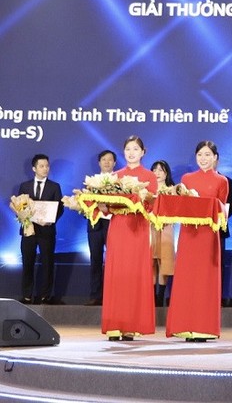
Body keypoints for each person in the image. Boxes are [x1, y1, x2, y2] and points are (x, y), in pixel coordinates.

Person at [166, 141, 229, 341]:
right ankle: (184, 325)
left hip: (208, 236)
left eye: (208, 154)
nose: (204, 158)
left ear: (215, 158)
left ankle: (204, 327)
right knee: (187, 279)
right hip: (188, 235)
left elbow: (222, 210)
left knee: (205, 280)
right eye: (200, 154)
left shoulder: (222, 181)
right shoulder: (186, 178)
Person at [102, 135, 158, 341]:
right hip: (118, 228)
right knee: (116, 274)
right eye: (128, 149)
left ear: (143, 152)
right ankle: (114, 325)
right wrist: (100, 204)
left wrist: (141, 200)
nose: (131, 153)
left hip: (138, 229)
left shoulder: (149, 176)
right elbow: (107, 208)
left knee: (133, 275)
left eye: (135, 149)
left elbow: (152, 205)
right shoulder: (115, 176)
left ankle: (130, 326)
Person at [17, 154, 64, 305]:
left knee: (47, 263)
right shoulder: (24, 186)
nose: (45, 169)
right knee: (27, 263)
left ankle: (45, 296)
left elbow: (59, 208)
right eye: (42, 166)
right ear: (34, 168)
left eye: (47, 166)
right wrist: (24, 216)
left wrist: (50, 220)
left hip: (47, 231)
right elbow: (19, 207)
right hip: (29, 231)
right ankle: (26, 295)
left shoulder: (54, 186)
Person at [84, 150, 116, 306]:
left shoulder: (119, 182)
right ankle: (95, 295)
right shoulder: (91, 182)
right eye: (104, 159)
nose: (107, 162)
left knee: (114, 261)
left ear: (114, 163)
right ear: (99, 162)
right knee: (95, 260)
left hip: (113, 223)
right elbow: (84, 204)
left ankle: (112, 295)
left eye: (110, 160)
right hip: (95, 224)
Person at [150, 160, 175, 307]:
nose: (157, 173)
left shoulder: (172, 190)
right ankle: (152, 295)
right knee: (150, 262)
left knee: (164, 261)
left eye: (161, 170)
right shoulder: (146, 190)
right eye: (154, 170)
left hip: (166, 228)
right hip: (149, 227)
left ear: (166, 173)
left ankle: (160, 296)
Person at [215, 158, 232, 308]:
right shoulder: (191, 180)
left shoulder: (227, 181)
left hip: (219, 229)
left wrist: (220, 217)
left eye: (209, 155)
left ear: (216, 159)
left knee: (218, 263)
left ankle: (218, 297)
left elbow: (231, 205)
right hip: (197, 229)